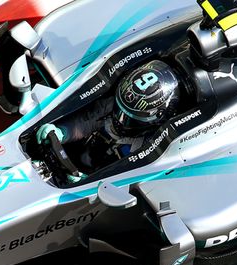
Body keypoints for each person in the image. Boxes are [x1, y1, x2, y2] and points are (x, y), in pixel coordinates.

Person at [36, 59, 182, 179]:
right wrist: (62, 132)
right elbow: (86, 121)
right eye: (120, 110)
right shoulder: (111, 105)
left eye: (129, 118)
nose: (119, 119)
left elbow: (128, 177)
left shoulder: (152, 144)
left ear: (155, 119)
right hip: (80, 158)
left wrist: (90, 182)